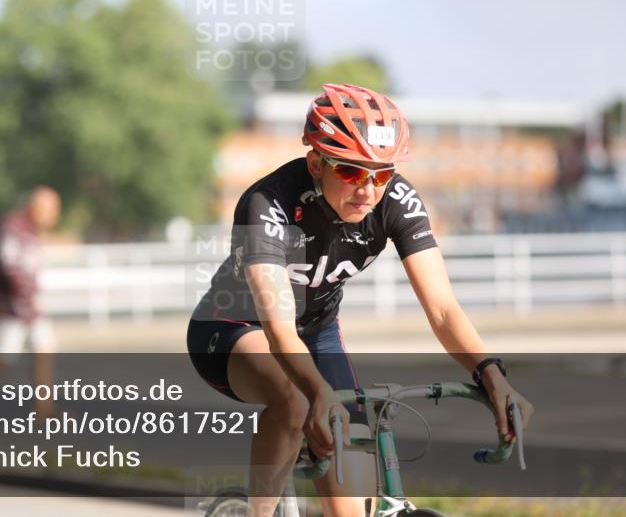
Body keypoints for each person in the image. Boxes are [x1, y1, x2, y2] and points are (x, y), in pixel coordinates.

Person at [187, 84, 535, 517]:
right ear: (316, 162)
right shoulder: (267, 204)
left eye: (382, 174)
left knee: (352, 504)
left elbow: (443, 307)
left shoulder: (396, 201)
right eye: (351, 172)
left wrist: (491, 376)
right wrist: (317, 392)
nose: (368, 190)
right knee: (296, 400)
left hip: (316, 331)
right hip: (237, 328)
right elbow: (276, 326)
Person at [0, 186, 62, 418]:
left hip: (31, 306)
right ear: (36, 208)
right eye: (52, 210)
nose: (54, 216)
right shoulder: (12, 227)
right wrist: (26, 294)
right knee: (3, 356)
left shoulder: (33, 231)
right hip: (11, 306)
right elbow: (9, 267)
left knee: (45, 348)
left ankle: (44, 409)